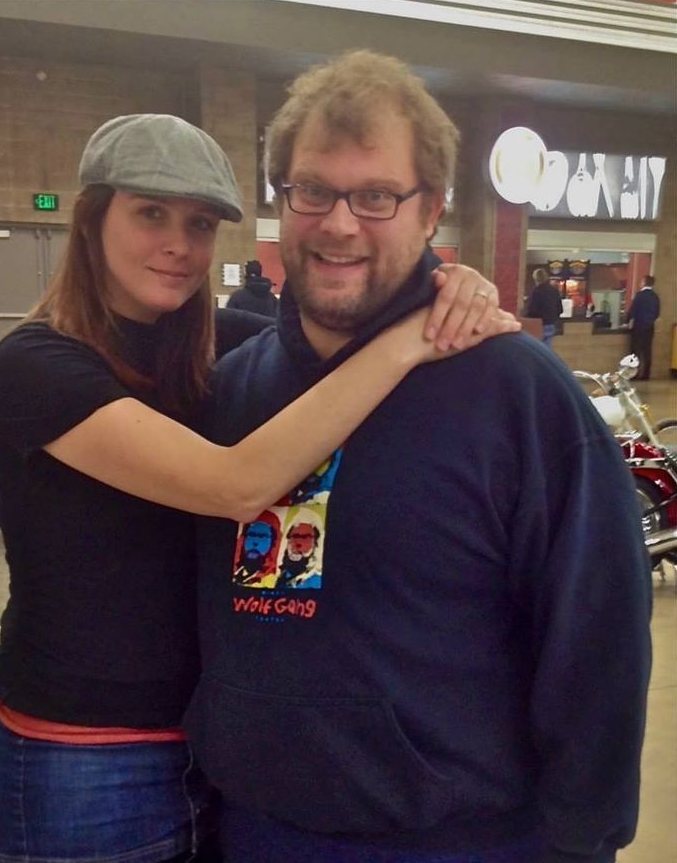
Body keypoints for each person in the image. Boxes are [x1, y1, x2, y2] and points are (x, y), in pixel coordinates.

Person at [0, 112, 517, 863]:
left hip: (215, 755)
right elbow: (237, 485)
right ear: (91, 218)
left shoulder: (218, 347)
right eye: (150, 214)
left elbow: (334, 331)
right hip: (83, 762)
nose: (178, 243)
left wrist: (447, 284)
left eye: (199, 223)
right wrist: (415, 336)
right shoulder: (38, 366)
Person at [189, 51, 653, 863]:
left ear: (431, 209)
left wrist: (584, 838)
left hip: (463, 839)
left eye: (376, 196)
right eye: (313, 190)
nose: (339, 223)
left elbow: (599, 639)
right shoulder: (230, 392)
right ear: (280, 202)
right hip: (254, 827)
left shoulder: (520, 396)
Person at [627, 274, 660, 380]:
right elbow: (657, 313)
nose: (640, 283)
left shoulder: (639, 295)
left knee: (636, 351)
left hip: (638, 326)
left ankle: (635, 373)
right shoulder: (655, 297)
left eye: (641, 281)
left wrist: (627, 321)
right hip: (650, 326)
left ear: (645, 282)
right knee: (647, 350)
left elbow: (633, 310)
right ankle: (646, 374)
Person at [524, 267, 563, 348]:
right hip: (551, 324)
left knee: (537, 349)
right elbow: (560, 309)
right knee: (547, 349)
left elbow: (532, 310)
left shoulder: (536, 291)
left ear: (535, 279)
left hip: (538, 325)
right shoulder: (554, 291)